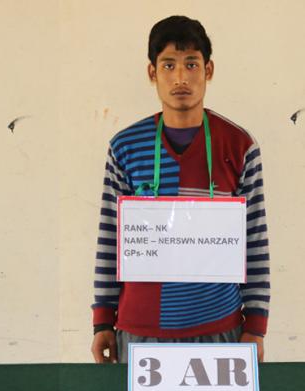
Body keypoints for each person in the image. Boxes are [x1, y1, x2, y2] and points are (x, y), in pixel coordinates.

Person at [91, 16, 270, 363]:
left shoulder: (239, 146)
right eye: (168, 65)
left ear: (209, 69)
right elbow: (110, 238)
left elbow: (255, 241)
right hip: (140, 330)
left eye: (191, 64)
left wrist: (256, 327)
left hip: (220, 326)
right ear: (152, 72)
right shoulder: (125, 147)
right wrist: (102, 320)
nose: (180, 78)